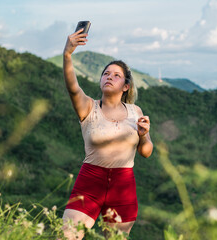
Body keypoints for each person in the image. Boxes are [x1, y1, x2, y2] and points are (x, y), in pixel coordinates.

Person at [61, 28, 153, 239]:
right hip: (90, 182)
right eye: (106, 74)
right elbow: (72, 87)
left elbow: (146, 152)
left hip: (123, 186)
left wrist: (145, 135)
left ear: (126, 86)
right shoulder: (88, 107)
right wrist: (67, 55)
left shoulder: (135, 112)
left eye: (116, 75)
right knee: (66, 236)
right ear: (100, 80)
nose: (109, 77)